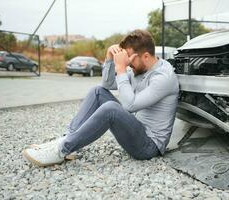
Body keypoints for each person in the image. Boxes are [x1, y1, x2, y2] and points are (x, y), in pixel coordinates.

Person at [22, 30, 179, 167]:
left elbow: (130, 105)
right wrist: (110, 59)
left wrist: (121, 68)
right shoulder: (139, 67)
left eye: (129, 59)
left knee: (111, 109)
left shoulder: (163, 77)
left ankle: (61, 150)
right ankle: (69, 141)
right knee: (98, 91)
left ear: (145, 56)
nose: (127, 63)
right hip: (136, 127)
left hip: (148, 146)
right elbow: (107, 84)